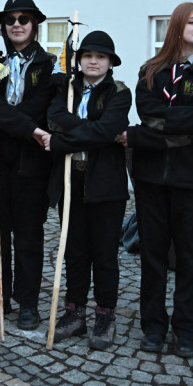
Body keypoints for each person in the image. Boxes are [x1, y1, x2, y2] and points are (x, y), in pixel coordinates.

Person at [122, 4, 193, 357]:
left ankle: (188, 330)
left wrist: (156, 128)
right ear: (177, 26)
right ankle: (153, 327)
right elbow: (148, 114)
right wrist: (192, 119)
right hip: (152, 178)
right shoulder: (150, 70)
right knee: (152, 257)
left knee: (190, 258)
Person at [0, 0, 55, 330]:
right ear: (2, 26)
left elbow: (42, 107)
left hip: (31, 166)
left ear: (34, 24)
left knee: (29, 236)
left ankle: (28, 303)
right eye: (11, 20)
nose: (17, 25)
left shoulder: (48, 65)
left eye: (24, 19)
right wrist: (24, 127)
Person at [45, 31, 132, 350]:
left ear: (110, 63)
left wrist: (62, 140)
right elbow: (54, 118)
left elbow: (108, 129)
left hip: (105, 184)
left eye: (101, 57)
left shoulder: (120, 92)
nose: (93, 61)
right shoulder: (65, 90)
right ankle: (74, 311)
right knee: (75, 251)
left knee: (105, 254)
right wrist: (88, 132)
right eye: (88, 56)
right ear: (79, 60)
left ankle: (105, 315)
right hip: (71, 179)